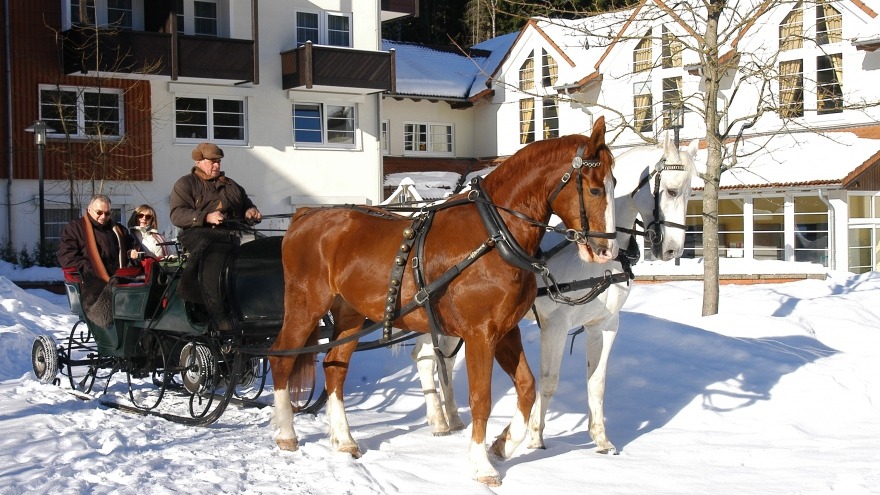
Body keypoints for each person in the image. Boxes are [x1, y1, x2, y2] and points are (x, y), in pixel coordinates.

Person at [169, 142, 261, 307]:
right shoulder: (185, 184)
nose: (217, 165)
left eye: (218, 161)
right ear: (199, 162)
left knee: (262, 247)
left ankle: (257, 300)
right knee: (219, 247)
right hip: (198, 234)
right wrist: (206, 217)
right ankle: (216, 307)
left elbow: (247, 204)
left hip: (234, 233)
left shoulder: (232, 185)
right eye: (212, 161)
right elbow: (177, 214)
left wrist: (251, 211)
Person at [57, 194, 140, 327]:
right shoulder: (75, 228)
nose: (103, 217)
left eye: (107, 213)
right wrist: (90, 269)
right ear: (89, 210)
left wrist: (133, 253)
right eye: (99, 212)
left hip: (119, 276)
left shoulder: (118, 229)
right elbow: (66, 256)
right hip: (92, 279)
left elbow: (132, 246)